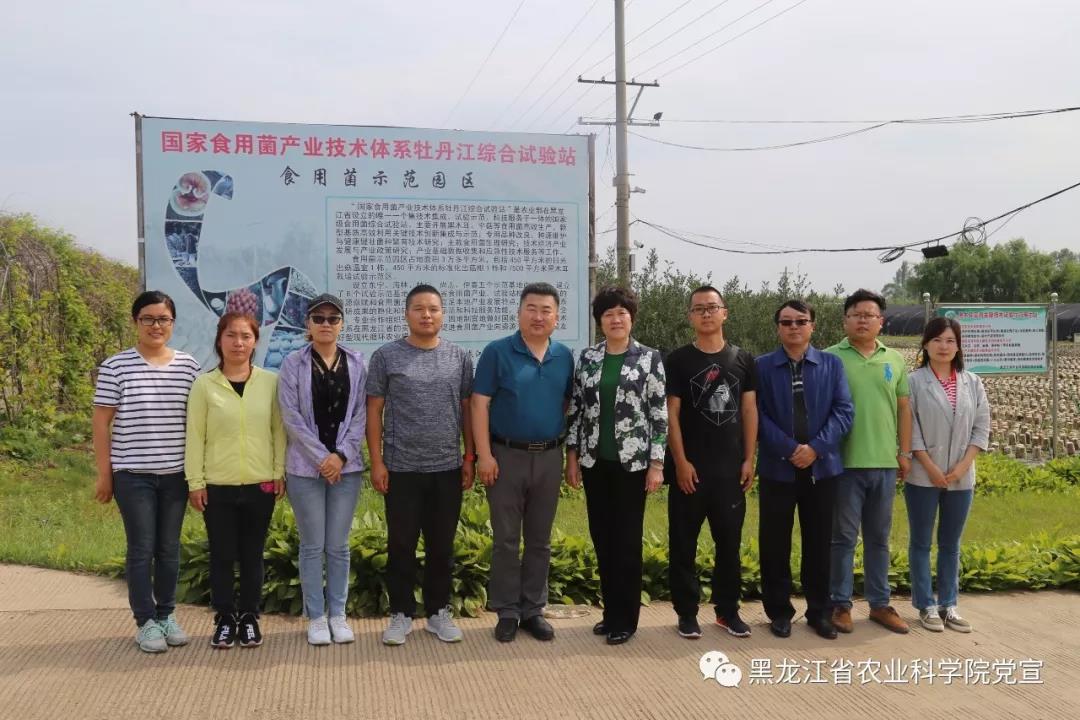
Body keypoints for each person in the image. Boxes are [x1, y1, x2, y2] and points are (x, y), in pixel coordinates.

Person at [366, 284, 475, 646]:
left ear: (442, 314)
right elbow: (374, 410)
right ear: (406, 314)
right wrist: (377, 462)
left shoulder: (459, 357)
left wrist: (469, 457)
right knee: (401, 544)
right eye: (419, 309)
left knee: (441, 544)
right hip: (401, 467)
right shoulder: (386, 356)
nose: (427, 315)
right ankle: (400, 613)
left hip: (447, 467)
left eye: (433, 309)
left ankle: (438, 612)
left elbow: (466, 410)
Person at [92, 290, 200, 653]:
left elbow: (198, 424)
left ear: (173, 323)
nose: (156, 326)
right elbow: (101, 423)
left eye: (163, 319)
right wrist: (105, 474)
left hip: (175, 476)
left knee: (168, 548)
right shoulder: (116, 366)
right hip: (132, 475)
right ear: (135, 322)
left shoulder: (188, 366)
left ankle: (166, 615)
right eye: (148, 319)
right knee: (141, 548)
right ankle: (145, 622)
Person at [471, 282, 574, 643]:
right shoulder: (497, 352)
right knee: (506, 539)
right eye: (531, 308)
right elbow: (479, 404)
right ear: (519, 313)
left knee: (540, 539)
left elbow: (566, 404)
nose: (538, 316)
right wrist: (484, 455)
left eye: (546, 310)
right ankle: (507, 611)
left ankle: (533, 609)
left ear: (556, 317)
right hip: (505, 456)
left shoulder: (564, 356)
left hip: (548, 457)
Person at [565, 286, 668, 646]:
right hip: (595, 462)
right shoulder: (588, 358)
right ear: (600, 321)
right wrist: (572, 456)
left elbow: (658, 414)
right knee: (603, 538)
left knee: (626, 541)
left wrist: (657, 464)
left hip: (633, 465)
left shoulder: (649, 358)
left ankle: (627, 619)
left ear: (631, 318)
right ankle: (610, 614)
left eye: (622, 312)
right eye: (608, 313)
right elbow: (577, 409)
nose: (616, 319)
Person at [185, 312, 286, 649]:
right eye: (231, 335)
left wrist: (278, 472)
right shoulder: (204, 385)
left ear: (255, 341)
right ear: (220, 340)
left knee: (253, 554)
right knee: (223, 555)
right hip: (218, 485)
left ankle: (250, 617)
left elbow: (278, 431)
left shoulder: (270, 383)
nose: (238, 343)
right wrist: (195, 482)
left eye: (245, 336)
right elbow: (195, 436)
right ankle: (225, 618)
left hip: (261, 484)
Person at [755, 300, 853, 640]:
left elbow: (843, 411)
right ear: (778, 328)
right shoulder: (762, 366)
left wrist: (815, 448)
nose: (794, 327)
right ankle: (779, 612)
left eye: (801, 321)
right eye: (786, 322)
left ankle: (819, 612)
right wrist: (789, 449)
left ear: (812, 325)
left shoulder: (831, 364)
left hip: (822, 469)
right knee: (774, 544)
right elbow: (757, 415)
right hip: (777, 469)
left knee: (819, 543)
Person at [665, 286, 758, 640]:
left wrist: (749, 458)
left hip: (730, 471)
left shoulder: (742, 359)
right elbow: (671, 414)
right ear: (690, 316)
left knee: (729, 545)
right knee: (683, 545)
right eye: (698, 309)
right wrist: (681, 461)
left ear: (725, 312)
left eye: (712, 307)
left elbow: (749, 411)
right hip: (689, 471)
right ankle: (686, 613)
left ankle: (727, 611)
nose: (706, 313)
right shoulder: (678, 360)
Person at [277, 293, 367, 646]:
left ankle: (338, 615)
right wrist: (322, 458)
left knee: (339, 546)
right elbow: (291, 417)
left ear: (341, 324)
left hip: (347, 469)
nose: (326, 324)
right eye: (319, 318)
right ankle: (316, 617)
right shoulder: (292, 363)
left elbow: (360, 414)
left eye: (333, 318)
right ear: (308, 324)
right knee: (313, 545)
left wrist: (340, 456)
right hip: (305, 469)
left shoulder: (356, 362)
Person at [826, 289, 913, 634]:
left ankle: (880, 604)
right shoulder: (830, 358)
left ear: (881, 321)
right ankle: (840, 604)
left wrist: (904, 452)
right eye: (856, 315)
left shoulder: (895, 359)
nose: (862, 320)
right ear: (845, 320)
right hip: (844, 464)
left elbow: (903, 408)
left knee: (879, 538)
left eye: (869, 315)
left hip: (885, 464)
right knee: (843, 538)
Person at [905, 316, 989, 633]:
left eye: (950, 340)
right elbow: (910, 429)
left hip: (961, 477)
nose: (944, 346)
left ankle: (949, 604)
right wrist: (929, 466)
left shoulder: (972, 382)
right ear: (926, 344)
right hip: (923, 475)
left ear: (958, 346)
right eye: (937, 340)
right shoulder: (914, 382)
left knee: (951, 543)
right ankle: (925, 605)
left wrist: (963, 466)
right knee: (921, 542)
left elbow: (981, 427)